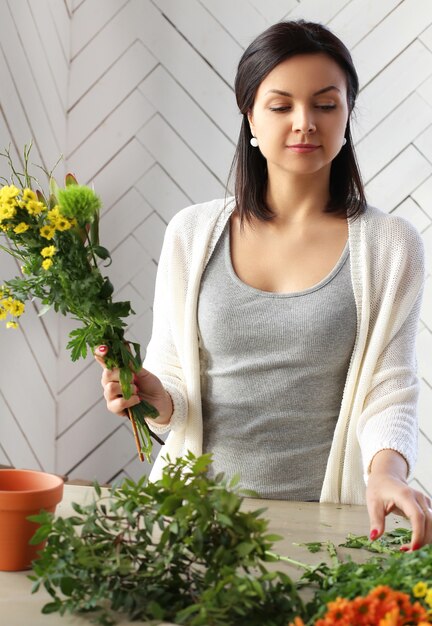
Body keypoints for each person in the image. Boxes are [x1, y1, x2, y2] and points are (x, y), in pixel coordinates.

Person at [95, 20, 431, 550]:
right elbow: (176, 388)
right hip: (193, 516)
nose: (305, 123)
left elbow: (390, 388)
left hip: (328, 528)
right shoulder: (192, 233)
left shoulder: (391, 245)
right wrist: (154, 397)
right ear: (250, 115)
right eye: (281, 106)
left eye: (326, 104)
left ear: (347, 116)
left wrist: (386, 472)